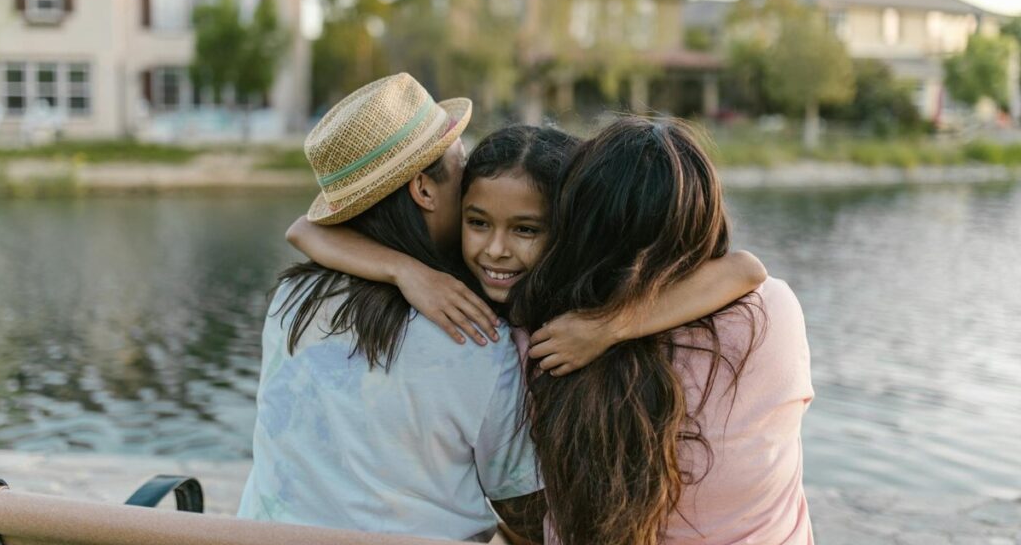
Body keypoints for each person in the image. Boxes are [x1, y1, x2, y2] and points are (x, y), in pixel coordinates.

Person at [237, 74, 545, 544]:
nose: (469, 182)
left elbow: (303, 230)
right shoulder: (475, 336)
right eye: (460, 164)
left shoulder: (291, 301)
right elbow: (524, 514)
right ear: (423, 189)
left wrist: (402, 269)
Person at [513, 117, 824, 545]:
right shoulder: (772, 315)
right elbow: (746, 269)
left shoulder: (539, 335)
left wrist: (609, 325)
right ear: (703, 218)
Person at [287, 124, 768, 376]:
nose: (496, 250)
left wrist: (607, 327)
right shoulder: (451, 274)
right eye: (477, 222)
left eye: (526, 230)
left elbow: (745, 269)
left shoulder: (587, 289)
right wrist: (406, 271)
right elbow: (304, 229)